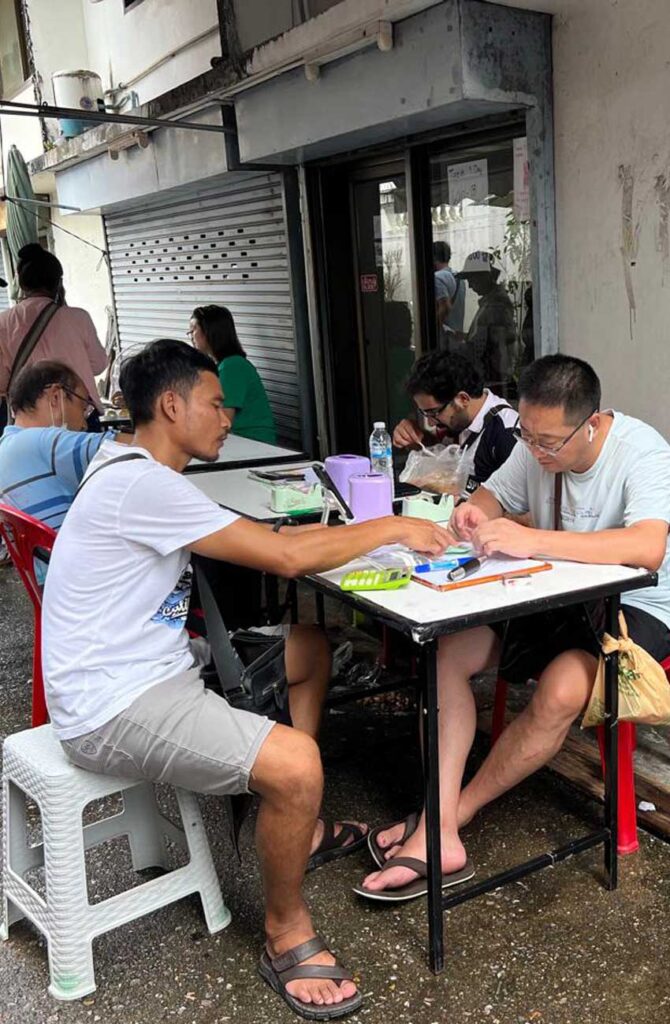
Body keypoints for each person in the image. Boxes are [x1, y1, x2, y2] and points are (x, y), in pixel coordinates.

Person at [42, 338, 451, 1018]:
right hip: (113, 702)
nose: (228, 416)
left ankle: (300, 822)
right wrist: (389, 528)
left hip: (153, 664)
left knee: (311, 648)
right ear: (171, 406)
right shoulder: (141, 482)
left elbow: (267, 547)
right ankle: (284, 934)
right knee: (297, 762)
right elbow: (283, 559)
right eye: (215, 403)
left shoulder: (139, 471)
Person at [359, 354, 670, 901]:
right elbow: (489, 497)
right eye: (528, 436)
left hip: (638, 605)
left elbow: (645, 548)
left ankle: (450, 817)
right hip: (552, 589)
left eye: (549, 442)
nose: (536, 451)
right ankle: (441, 826)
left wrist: (530, 539)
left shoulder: (642, 453)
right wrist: (474, 514)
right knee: (447, 653)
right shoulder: (535, 447)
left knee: (563, 689)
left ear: (591, 423)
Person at [0, 360, 128, 532]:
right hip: (70, 557)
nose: (84, 424)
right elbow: (139, 445)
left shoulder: (7, 444)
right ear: (55, 397)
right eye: (83, 408)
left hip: (42, 556)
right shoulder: (45, 443)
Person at [0, 244, 108, 422]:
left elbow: (2, 382)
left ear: (21, 283)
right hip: (79, 415)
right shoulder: (78, 317)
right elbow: (98, 365)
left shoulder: (3, 322)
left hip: (31, 421)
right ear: (58, 282)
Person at [392, 351, 518, 497]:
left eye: (434, 412)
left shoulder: (506, 434)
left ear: (462, 399)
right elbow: (446, 456)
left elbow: (522, 509)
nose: (431, 422)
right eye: (425, 414)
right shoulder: (458, 422)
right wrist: (417, 440)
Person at [188, 304, 277, 444]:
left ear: (209, 331)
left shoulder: (233, 366)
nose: (190, 336)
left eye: (193, 330)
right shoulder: (223, 365)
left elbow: (223, 420)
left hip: (253, 444)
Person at [454, 250, 517, 394]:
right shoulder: (492, 303)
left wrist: (450, 346)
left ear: (485, 277)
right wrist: (465, 336)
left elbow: (479, 349)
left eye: (472, 279)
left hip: (493, 381)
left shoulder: (495, 307)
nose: (470, 286)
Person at [433, 241, 465, 337]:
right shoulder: (459, 278)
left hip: (443, 339)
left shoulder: (437, 277)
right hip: (456, 336)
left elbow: (446, 307)